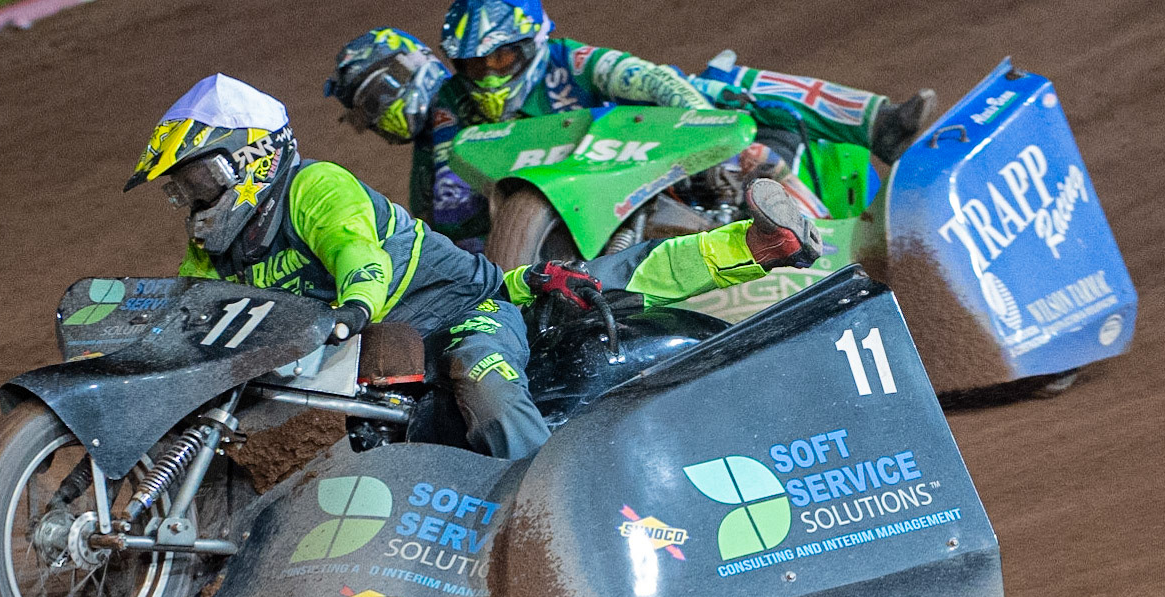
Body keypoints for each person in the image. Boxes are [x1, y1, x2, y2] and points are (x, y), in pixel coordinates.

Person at [128, 73, 823, 461]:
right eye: (182, 188)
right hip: (370, 349)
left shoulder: (315, 186)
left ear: (252, 156)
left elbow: (357, 255)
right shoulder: (217, 244)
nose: (195, 199)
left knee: (490, 373)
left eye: (201, 177)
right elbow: (197, 307)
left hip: (462, 309)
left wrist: (353, 309)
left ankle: (542, 502)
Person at [324, 0, 935, 248]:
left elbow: (652, 80)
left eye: (501, 58)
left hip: (647, 164)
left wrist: (716, 140)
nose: (487, 75)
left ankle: (873, 136)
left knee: (723, 86)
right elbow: (447, 225)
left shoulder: (572, 59)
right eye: (473, 64)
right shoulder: (447, 126)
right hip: (555, 225)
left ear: (532, 42)